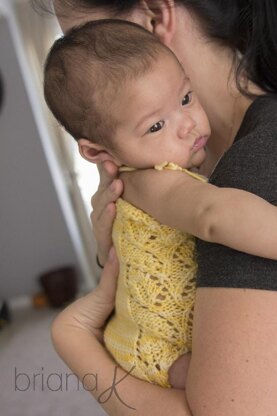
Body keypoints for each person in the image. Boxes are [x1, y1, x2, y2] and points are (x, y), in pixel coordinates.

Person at [41, 0, 277, 414]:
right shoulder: (158, 177)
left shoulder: (251, 165)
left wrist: (74, 341)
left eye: (186, 98)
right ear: (95, 150)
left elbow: (212, 215)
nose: (186, 123)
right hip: (151, 348)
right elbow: (209, 217)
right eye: (155, 125)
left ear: (153, 19)